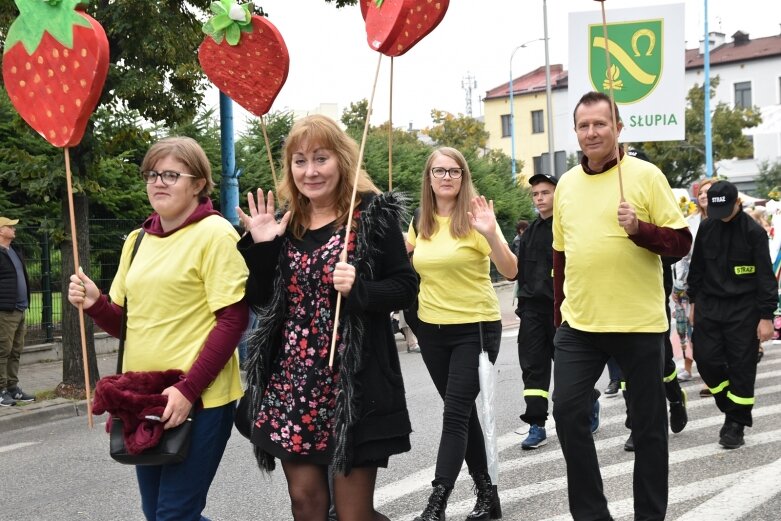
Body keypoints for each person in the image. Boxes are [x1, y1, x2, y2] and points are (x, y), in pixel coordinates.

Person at [236, 114, 416, 521]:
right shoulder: (288, 222)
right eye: (299, 161)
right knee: (305, 502)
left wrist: (361, 290)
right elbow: (262, 302)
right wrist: (264, 247)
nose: (310, 171)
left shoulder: (371, 215)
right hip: (293, 383)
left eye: (321, 158)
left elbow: (406, 286)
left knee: (354, 514)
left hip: (352, 381)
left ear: (341, 160)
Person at [67, 136, 248, 521]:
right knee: (159, 516)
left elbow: (233, 321)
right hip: (143, 399)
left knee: (173, 515)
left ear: (198, 183)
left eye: (171, 174)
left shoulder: (215, 234)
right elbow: (127, 326)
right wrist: (96, 304)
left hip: (199, 398)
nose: (158, 182)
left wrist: (187, 390)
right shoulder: (136, 241)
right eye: (152, 174)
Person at [552, 91, 691, 521]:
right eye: (583, 126)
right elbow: (560, 257)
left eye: (600, 123)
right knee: (568, 410)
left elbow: (681, 241)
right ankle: (592, 515)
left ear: (618, 127)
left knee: (648, 428)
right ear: (575, 132)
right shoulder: (567, 185)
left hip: (639, 324)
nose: (591, 132)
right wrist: (558, 315)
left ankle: (650, 515)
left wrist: (641, 229)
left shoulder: (646, 175)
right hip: (580, 325)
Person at [408, 147, 517, 521]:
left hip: (476, 328)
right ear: (429, 177)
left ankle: (437, 501)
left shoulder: (476, 217)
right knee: (462, 413)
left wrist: (493, 235)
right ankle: (489, 496)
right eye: (439, 171)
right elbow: (402, 262)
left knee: (454, 414)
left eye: (454, 171)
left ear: (463, 176)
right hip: (432, 330)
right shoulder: (419, 220)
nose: (447, 177)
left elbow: (511, 269)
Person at [513, 174, 601, 450]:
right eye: (535, 194)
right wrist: (523, 307)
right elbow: (521, 273)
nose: (539, 198)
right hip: (533, 312)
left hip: (564, 310)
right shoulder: (529, 233)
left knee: (568, 370)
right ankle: (536, 424)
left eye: (545, 193)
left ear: (558, 195)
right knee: (533, 369)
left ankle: (589, 400)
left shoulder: (568, 226)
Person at [687, 180, 776, 449]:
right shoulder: (707, 226)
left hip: (744, 309)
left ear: (737, 203)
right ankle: (729, 404)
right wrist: (693, 304)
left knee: (741, 366)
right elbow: (698, 268)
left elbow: (765, 277)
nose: (720, 215)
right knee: (706, 360)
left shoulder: (754, 233)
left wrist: (766, 317)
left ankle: (735, 425)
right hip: (709, 306)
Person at [672, 177, 716, 391]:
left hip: (713, 286)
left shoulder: (724, 220)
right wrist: (679, 283)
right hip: (687, 283)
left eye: (709, 192)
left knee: (705, 329)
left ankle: (711, 373)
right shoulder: (690, 221)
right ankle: (688, 367)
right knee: (683, 327)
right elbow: (682, 255)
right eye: (701, 193)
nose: (704, 196)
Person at [0, 216, 35, 407]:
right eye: (9, 226)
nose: (14, 228)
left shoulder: (14, 250)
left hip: (20, 309)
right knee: (2, 350)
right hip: (5, 311)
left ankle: (12, 388)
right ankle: (1, 390)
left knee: (16, 350)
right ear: (0, 231)